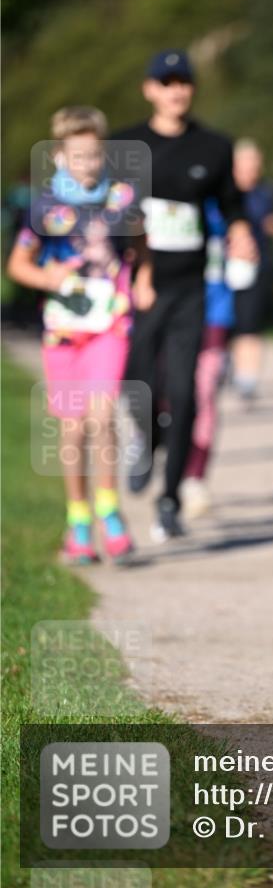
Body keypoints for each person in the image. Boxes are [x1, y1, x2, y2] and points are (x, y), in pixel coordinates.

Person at [113, 50, 256, 541]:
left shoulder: (214, 147)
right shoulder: (125, 144)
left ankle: (170, 498)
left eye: (184, 82)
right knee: (138, 384)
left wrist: (240, 231)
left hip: (190, 286)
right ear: (149, 89)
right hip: (136, 285)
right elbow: (108, 212)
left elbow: (232, 206)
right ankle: (146, 438)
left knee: (186, 388)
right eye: (166, 82)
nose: (176, 90)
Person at [7, 106, 140, 565]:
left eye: (93, 154)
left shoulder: (121, 198)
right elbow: (18, 265)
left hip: (109, 324)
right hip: (63, 331)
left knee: (102, 419)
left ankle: (110, 511)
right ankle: (78, 522)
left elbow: (140, 244)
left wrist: (143, 280)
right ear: (60, 157)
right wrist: (51, 278)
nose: (87, 163)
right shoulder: (43, 206)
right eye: (77, 155)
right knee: (72, 426)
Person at [181, 197, 235, 518]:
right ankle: (149, 439)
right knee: (166, 394)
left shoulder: (224, 209)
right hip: (168, 315)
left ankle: (194, 478)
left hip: (213, 315)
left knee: (204, 394)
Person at [229, 138, 273, 404]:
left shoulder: (266, 192)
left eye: (256, 163)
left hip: (258, 264)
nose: (252, 168)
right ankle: (221, 366)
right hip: (222, 268)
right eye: (247, 162)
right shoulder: (224, 192)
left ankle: (247, 380)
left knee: (250, 323)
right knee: (224, 322)